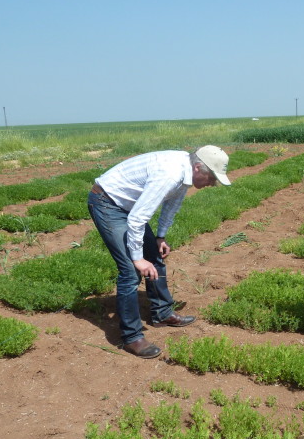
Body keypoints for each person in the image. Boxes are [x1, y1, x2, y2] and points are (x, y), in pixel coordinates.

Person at [88, 146, 231, 359]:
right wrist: (137, 258)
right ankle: (132, 337)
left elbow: (172, 205)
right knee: (130, 271)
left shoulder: (185, 171)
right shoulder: (170, 174)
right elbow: (137, 219)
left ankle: (162, 313)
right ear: (199, 167)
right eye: (211, 177)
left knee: (155, 255)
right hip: (108, 203)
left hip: (129, 205)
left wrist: (160, 237)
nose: (212, 183)